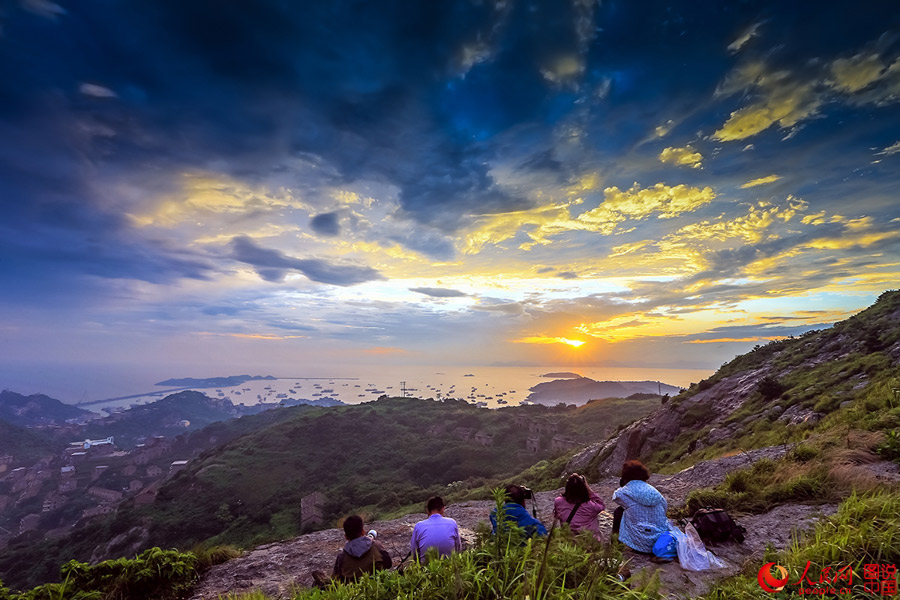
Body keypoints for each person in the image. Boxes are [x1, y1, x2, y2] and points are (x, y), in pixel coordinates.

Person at [611, 460, 668, 554]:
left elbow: (616, 497)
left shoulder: (625, 491)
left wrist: (622, 485)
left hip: (639, 543)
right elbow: (665, 508)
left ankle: (615, 547)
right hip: (659, 542)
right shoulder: (655, 492)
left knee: (619, 511)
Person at [331, 515, 392, 582]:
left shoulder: (342, 557)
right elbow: (388, 564)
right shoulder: (376, 546)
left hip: (354, 591)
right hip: (378, 588)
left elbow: (336, 579)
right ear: (363, 531)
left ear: (346, 537)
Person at [553, 473, 606, 539]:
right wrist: (587, 487)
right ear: (583, 489)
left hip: (569, 540)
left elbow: (557, 516)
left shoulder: (558, 501)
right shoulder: (590, 505)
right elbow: (601, 505)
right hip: (589, 541)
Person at [410, 496, 461, 564]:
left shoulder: (419, 526)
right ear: (443, 509)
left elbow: (414, 552)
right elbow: (458, 548)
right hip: (449, 566)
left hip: (427, 568)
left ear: (427, 510)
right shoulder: (452, 523)